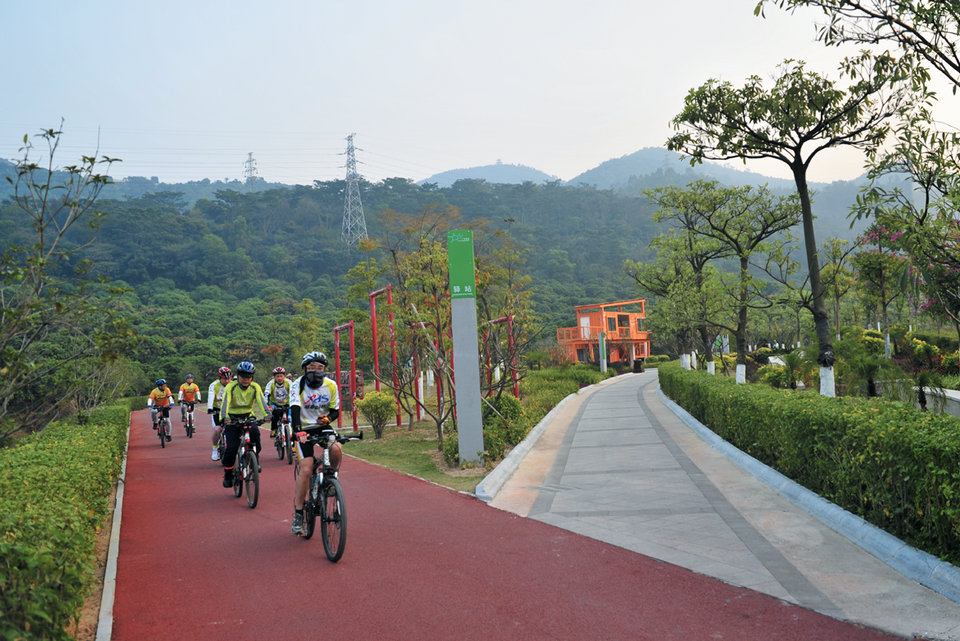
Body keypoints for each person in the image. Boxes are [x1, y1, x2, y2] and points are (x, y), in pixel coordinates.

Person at [290, 351, 340, 536]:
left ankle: (331, 479)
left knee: (337, 448)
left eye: (320, 368)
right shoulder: (298, 385)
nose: (315, 371)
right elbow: (294, 407)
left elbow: (335, 411)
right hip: (303, 429)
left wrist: (327, 418)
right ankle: (297, 514)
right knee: (306, 469)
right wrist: (297, 431)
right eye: (311, 368)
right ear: (305, 369)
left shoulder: (331, 385)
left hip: (322, 426)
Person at [218, 361, 268, 488]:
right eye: (243, 376)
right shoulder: (231, 387)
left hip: (248, 416)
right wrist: (224, 417)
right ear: (238, 376)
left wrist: (267, 414)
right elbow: (225, 403)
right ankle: (228, 473)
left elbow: (262, 402)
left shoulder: (255, 387)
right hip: (232, 418)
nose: (246, 379)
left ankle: (254, 459)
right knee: (231, 448)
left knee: (256, 435)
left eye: (249, 376)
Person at [207, 366, 231, 461]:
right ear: (220, 378)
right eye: (224, 379)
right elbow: (211, 395)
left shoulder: (233, 384)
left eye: (229, 379)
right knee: (217, 429)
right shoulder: (214, 385)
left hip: (230, 410)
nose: (227, 381)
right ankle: (215, 449)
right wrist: (209, 407)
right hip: (217, 410)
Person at [263, 366, 292, 438]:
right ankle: (274, 429)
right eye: (277, 376)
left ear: (284, 376)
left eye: (281, 376)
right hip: (275, 404)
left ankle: (291, 441)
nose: (279, 378)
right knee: (275, 415)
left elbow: (294, 393)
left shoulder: (289, 383)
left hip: (287, 403)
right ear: (274, 377)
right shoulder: (270, 384)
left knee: (291, 419)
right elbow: (266, 395)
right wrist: (267, 406)